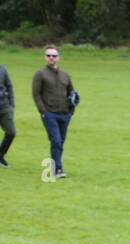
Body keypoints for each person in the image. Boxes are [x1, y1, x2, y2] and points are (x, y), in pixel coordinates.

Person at [32, 45, 74, 179]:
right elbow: (36, 94)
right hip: (49, 114)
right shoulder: (40, 74)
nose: (51, 58)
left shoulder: (65, 75)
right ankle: (57, 169)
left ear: (58, 58)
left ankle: (55, 166)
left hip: (65, 114)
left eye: (54, 56)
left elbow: (72, 92)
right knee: (55, 141)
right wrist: (43, 111)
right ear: (45, 57)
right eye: (49, 55)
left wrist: (71, 110)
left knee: (60, 142)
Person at [0, 62, 15, 169]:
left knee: (11, 133)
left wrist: (11, 105)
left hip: (4, 107)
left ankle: (0, 155)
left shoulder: (2, 69)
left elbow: (9, 86)